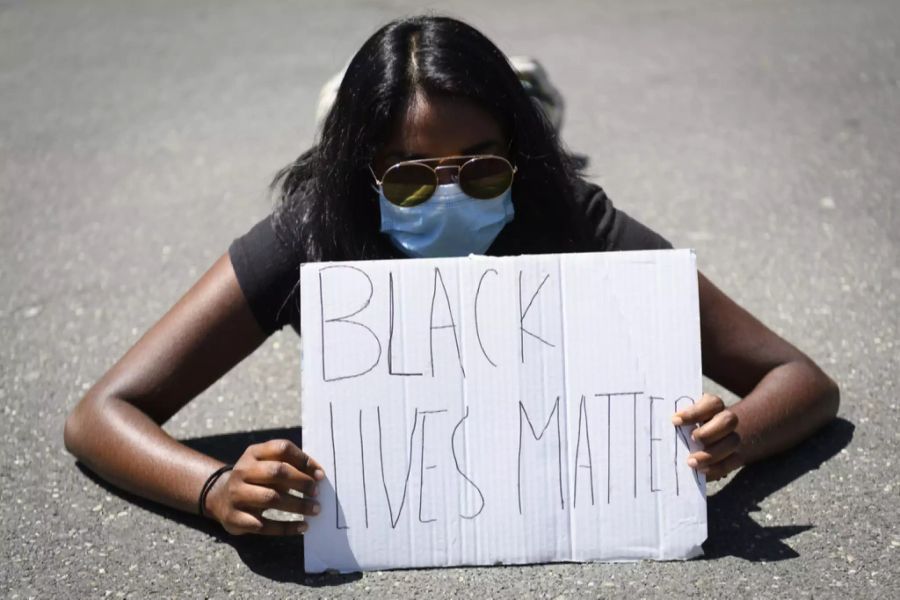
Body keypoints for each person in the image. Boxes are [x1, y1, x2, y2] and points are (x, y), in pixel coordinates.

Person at [63, 15, 840, 538]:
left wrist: (740, 439)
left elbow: (799, 379)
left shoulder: (564, 212)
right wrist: (215, 488)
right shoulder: (313, 228)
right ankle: (379, 107)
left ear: (517, 161)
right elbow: (101, 413)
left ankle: (521, 102)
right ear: (355, 174)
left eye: (480, 169)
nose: (447, 194)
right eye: (405, 176)